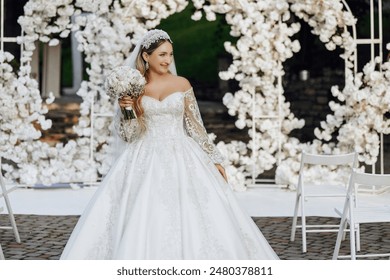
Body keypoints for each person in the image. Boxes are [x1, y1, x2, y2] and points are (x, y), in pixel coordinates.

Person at [60, 29, 279, 260]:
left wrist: (215, 159)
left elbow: (195, 127)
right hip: (144, 156)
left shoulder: (182, 84)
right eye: (162, 54)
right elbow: (130, 134)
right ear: (146, 56)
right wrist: (126, 109)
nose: (167, 60)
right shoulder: (134, 88)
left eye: (170, 55)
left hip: (182, 154)